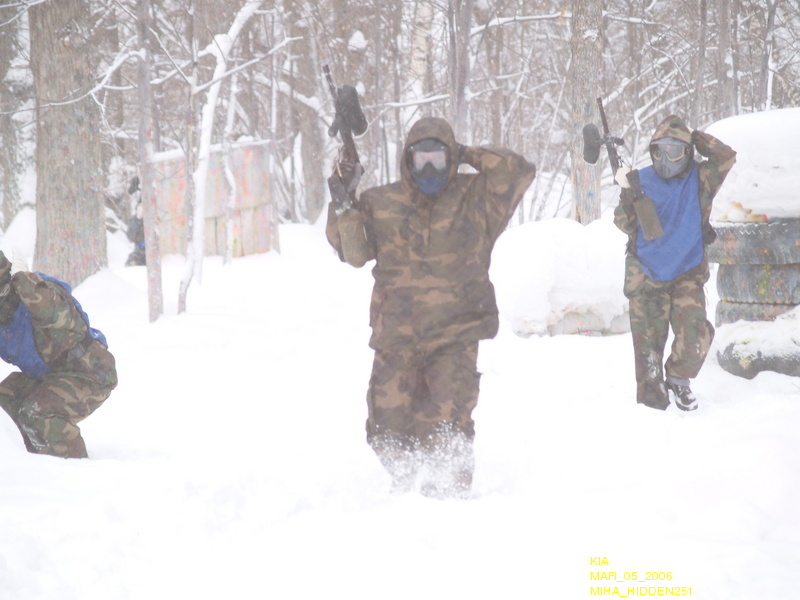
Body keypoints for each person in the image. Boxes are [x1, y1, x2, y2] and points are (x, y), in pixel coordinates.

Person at [326, 116, 535, 498]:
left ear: (450, 158)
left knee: (445, 427)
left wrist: (466, 152)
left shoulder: (477, 199)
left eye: (437, 159)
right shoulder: (381, 202)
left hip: (455, 336)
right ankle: (405, 487)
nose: (428, 169)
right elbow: (353, 253)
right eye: (420, 159)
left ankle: (448, 500)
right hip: (396, 337)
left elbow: (518, 170)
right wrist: (343, 198)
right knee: (387, 428)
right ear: (407, 160)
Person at [613, 115, 736, 411]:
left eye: (675, 151)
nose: (666, 159)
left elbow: (725, 156)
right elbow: (624, 223)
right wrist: (627, 192)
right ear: (652, 151)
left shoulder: (701, 179)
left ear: (688, 152)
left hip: (686, 272)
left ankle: (679, 380)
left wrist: (694, 135)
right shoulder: (640, 180)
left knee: (696, 335)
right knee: (648, 349)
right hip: (646, 274)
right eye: (660, 151)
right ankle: (652, 406)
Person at [0, 252, 117, 458]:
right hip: (47, 376)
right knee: (5, 401)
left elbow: (54, 313)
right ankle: (26, 460)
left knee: (38, 412)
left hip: (88, 371)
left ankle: (69, 469)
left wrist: (25, 283)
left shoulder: (40, 292)